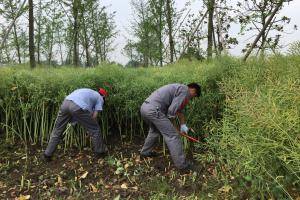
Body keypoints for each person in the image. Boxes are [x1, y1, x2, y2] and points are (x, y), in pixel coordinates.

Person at [140, 83, 201, 170]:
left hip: (145, 108)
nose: (191, 98)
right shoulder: (185, 90)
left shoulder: (179, 88)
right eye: (194, 96)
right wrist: (175, 128)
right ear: (193, 90)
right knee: (173, 136)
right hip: (154, 110)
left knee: (155, 131)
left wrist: (183, 125)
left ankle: (145, 152)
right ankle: (183, 165)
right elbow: (172, 111)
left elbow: (179, 111)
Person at [43, 88, 109, 161]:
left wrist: (88, 127)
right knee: (95, 129)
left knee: (57, 130)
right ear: (103, 96)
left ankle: (47, 155)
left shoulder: (87, 91)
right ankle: (100, 152)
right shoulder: (100, 98)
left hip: (65, 103)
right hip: (77, 106)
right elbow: (94, 116)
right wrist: (91, 128)